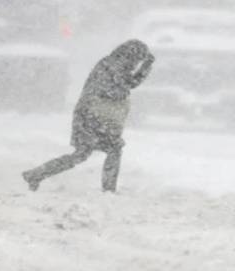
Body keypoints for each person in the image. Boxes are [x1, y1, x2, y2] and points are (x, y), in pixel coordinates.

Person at [23, 39, 155, 193]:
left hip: (95, 116)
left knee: (86, 153)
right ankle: (108, 189)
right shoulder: (110, 66)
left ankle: (36, 174)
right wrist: (142, 70)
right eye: (137, 59)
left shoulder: (114, 65)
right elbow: (120, 88)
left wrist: (145, 67)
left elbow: (130, 84)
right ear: (130, 55)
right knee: (104, 150)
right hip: (91, 117)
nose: (136, 64)